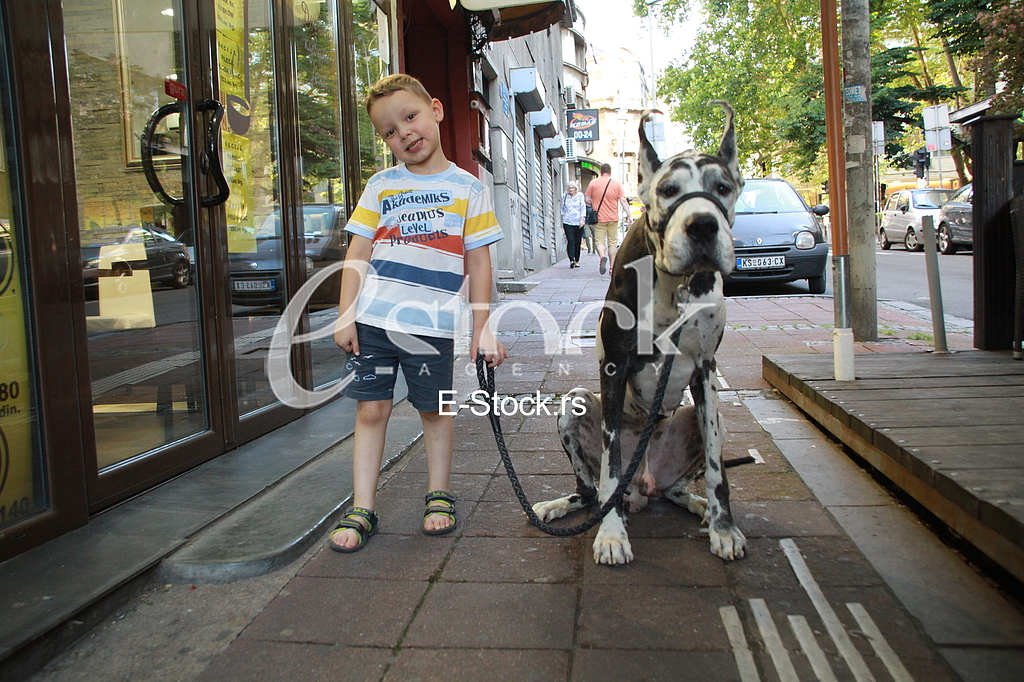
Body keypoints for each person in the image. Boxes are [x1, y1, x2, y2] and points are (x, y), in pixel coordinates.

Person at [330, 74, 507, 553]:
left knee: (435, 410)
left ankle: (438, 495)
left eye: (410, 118)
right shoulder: (381, 186)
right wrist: (345, 315)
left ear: (435, 110)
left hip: (430, 327)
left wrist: (482, 326)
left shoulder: (468, 189)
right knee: (372, 410)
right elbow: (358, 252)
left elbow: (478, 261)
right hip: (374, 322)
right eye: (389, 131)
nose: (403, 133)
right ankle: (362, 506)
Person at [584, 163, 631, 275]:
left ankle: (602, 256)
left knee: (599, 241)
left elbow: (586, 199)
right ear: (610, 172)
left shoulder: (593, 183)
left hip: (599, 218)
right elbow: (623, 201)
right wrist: (629, 216)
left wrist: (594, 203)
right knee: (612, 243)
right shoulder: (616, 184)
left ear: (601, 171)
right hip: (613, 218)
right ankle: (612, 267)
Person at [560, 181, 587, 268]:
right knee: (570, 241)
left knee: (577, 242)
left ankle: (577, 260)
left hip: (578, 222)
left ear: (575, 189)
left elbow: (582, 207)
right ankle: (571, 260)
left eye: (572, 188)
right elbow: (562, 207)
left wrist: (582, 219)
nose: (571, 190)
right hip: (567, 222)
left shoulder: (580, 196)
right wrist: (563, 216)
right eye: (569, 188)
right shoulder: (565, 196)